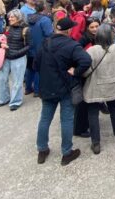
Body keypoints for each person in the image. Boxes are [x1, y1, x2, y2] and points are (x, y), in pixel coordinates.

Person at [35, 17, 92, 165]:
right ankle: (66, 152)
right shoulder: (72, 45)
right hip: (66, 87)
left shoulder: (45, 42)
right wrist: (76, 71)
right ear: (68, 30)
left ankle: (42, 149)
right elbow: (86, 60)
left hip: (47, 86)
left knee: (45, 118)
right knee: (66, 120)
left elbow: (35, 64)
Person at [83, 23, 115, 155]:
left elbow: (86, 70)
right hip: (111, 84)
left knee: (92, 113)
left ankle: (96, 143)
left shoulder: (91, 51)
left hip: (95, 85)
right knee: (114, 107)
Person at [0, 9, 30, 111]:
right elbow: (2, 41)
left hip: (18, 59)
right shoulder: (8, 28)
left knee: (17, 81)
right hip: (6, 57)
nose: (9, 18)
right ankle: (3, 98)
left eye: (12, 17)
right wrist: (1, 44)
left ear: (18, 18)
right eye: (9, 17)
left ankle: (15, 101)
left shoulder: (26, 30)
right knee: (1, 80)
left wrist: (16, 53)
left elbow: (29, 46)